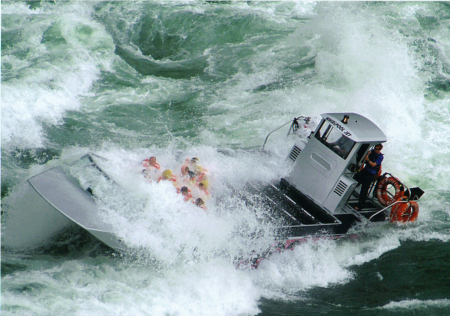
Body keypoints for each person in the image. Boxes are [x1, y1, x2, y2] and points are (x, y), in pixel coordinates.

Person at [354, 144, 384, 210]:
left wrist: (368, 160)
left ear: (380, 149)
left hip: (371, 174)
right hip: (365, 170)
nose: (375, 150)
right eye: (375, 148)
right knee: (354, 182)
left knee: (364, 189)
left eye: (377, 149)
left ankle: (360, 206)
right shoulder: (372, 152)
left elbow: (373, 165)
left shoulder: (380, 157)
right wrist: (367, 154)